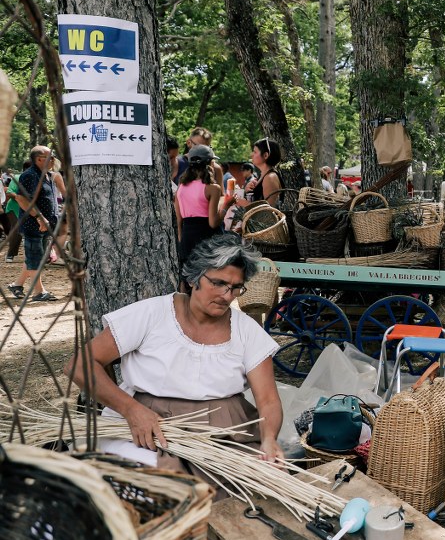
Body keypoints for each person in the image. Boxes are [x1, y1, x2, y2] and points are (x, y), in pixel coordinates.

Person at [64, 234, 284, 476]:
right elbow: (80, 365)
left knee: (253, 485)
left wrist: (269, 438)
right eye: (219, 283)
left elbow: (268, 401)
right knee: (154, 483)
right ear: (193, 279)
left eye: (235, 288)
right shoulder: (152, 314)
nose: (227, 296)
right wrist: (131, 410)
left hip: (224, 434)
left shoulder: (246, 330)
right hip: (151, 427)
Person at [6, 146, 59, 301]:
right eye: (51, 156)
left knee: (37, 257)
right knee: (35, 257)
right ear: (40, 159)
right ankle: (39, 292)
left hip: (45, 225)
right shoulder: (29, 176)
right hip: (33, 225)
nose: (54, 159)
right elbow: (22, 199)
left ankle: (17, 285)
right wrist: (39, 217)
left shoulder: (48, 175)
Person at [174, 145, 231, 272]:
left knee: (188, 278)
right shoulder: (212, 188)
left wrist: (181, 241)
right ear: (210, 163)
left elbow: (179, 220)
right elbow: (213, 223)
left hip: (187, 237)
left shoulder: (181, 187)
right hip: (207, 239)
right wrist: (227, 205)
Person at [241, 138, 282, 207]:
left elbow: (268, 210)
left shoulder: (270, 177)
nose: (251, 155)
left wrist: (241, 202)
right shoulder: (264, 175)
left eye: (255, 152)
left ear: (265, 155)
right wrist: (247, 192)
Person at [2, 159, 28, 263]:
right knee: (17, 230)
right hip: (14, 209)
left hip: (29, 209)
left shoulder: (38, 178)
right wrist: (20, 197)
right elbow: (9, 192)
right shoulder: (17, 178)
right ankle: (10, 254)